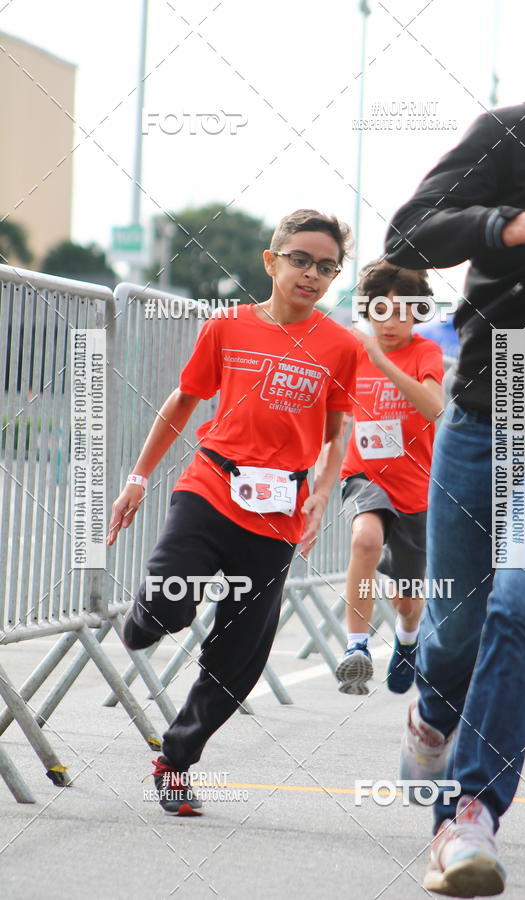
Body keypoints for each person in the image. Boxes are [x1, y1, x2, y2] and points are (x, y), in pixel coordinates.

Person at [384, 18, 525, 897]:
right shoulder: (513, 132)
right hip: (490, 403)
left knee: (521, 598)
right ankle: (434, 710)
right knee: (457, 634)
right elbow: (410, 234)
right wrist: (499, 224)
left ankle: (468, 820)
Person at [106, 209, 358, 815]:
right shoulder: (228, 327)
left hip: (279, 514)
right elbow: (183, 400)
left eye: (327, 267)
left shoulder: (341, 345)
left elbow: (337, 428)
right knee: (168, 600)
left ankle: (175, 762)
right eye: (300, 260)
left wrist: (323, 489)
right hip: (211, 489)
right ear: (271, 262)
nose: (312, 275)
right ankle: (144, 621)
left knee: (238, 657)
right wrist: (138, 477)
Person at [333, 261, 444, 695]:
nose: (391, 321)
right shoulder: (351, 353)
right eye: (381, 311)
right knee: (365, 539)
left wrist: (383, 361)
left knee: (409, 601)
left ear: (418, 314)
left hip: (416, 489)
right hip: (364, 476)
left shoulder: (424, 353)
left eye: (402, 312)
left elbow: (435, 406)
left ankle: (407, 639)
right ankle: (355, 648)